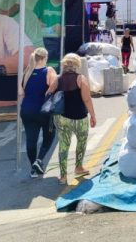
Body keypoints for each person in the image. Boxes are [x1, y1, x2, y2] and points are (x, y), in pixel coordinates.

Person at [54, 53, 97, 186]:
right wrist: (93, 115)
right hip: (80, 117)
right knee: (81, 142)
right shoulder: (80, 79)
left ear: (64, 65)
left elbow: (49, 94)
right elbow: (87, 99)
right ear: (77, 65)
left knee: (63, 145)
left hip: (62, 117)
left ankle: (63, 176)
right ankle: (78, 167)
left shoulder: (57, 79)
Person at [19, 47, 58, 178]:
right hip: (43, 110)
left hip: (26, 110)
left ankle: (33, 169)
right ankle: (39, 160)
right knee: (50, 135)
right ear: (44, 58)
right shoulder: (49, 70)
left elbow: (20, 93)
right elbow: (55, 84)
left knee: (31, 140)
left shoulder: (26, 73)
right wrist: (48, 92)